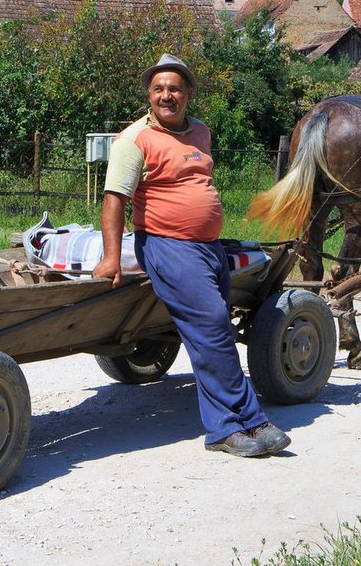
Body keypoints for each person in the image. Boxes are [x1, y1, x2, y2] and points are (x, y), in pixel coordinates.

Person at [92, 53, 291, 459]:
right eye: (159, 89)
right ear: (149, 95)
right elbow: (114, 200)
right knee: (215, 327)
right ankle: (240, 423)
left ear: (188, 94)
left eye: (175, 88)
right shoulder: (135, 140)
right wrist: (112, 257)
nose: (167, 95)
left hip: (208, 248)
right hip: (167, 245)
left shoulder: (200, 132)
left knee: (207, 337)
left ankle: (234, 423)